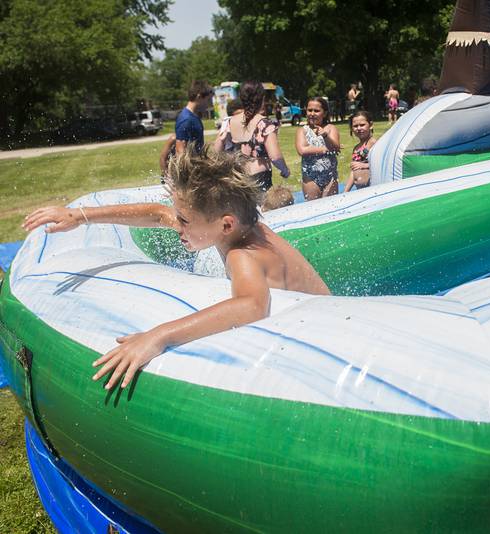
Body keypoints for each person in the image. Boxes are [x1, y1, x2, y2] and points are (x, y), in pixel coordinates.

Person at [22, 148, 331, 391]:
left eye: (183, 220)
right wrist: (80, 216)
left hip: (322, 333)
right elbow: (158, 215)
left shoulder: (242, 255)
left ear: (226, 224)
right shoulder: (231, 226)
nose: (176, 224)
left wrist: (158, 336)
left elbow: (251, 304)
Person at [214, 81, 290, 192]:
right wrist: (284, 170)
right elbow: (275, 157)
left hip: (237, 177)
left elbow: (216, 152)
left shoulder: (228, 122)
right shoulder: (264, 124)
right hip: (259, 177)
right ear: (262, 99)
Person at [295, 97, 340, 200]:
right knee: (313, 208)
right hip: (311, 178)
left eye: (316, 111)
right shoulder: (302, 131)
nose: (312, 113)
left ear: (324, 113)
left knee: (332, 207)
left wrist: (325, 136)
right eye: (309, 110)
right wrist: (326, 148)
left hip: (330, 176)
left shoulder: (330, 128)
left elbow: (336, 146)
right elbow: (302, 150)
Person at [175, 80, 213, 154]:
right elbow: (181, 152)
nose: (209, 104)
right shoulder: (186, 120)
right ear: (199, 97)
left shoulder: (194, 116)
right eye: (208, 100)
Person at [344, 111, 377, 192]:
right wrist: (346, 191)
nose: (358, 128)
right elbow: (354, 170)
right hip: (360, 190)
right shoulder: (356, 148)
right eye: (355, 126)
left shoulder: (375, 144)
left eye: (362, 125)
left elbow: (381, 165)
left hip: (373, 189)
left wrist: (364, 165)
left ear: (371, 125)